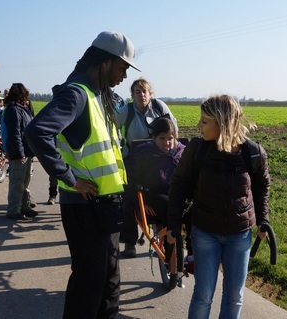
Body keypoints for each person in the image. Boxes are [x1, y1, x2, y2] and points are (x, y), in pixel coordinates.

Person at [25, 30, 140, 318]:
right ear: (104, 62)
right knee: (89, 286)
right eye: (123, 67)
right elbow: (37, 132)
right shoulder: (76, 94)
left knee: (109, 283)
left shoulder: (97, 96)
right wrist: (70, 178)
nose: (125, 76)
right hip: (87, 208)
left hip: (105, 206)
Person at [166, 95, 271, 319]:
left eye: (204, 121)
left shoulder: (252, 152)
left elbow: (262, 186)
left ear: (222, 122)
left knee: (235, 296)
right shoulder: (197, 150)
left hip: (240, 235)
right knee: (203, 295)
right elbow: (179, 185)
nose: (198, 126)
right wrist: (174, 223)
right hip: (205, 233)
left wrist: (263, 220)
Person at [121, 117, 190, 258]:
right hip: (152, 195)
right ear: (153, 138)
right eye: (162, 138)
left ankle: (192, 253)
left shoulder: (183, 153)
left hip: (177, 195)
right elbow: (129, 180)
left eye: (170, 138)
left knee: (192, 214)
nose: (167, 143)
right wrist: (139, 203)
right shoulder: (143, 153)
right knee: (168, 205)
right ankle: (170, 256)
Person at [115, 77, 178, 157]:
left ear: (150, 94)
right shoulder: (126, 111)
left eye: (144, 91)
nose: (142, 95)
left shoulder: (159, 107)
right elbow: (110, 128)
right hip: (134, 158)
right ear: (132, 95)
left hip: (159, 157)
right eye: (138, 92)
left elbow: (174, 128)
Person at [3, 83, 37, 221]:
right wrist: (20, 153)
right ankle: (13, 210)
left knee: (25, 182)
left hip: (26, 151)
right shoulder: (13, 110)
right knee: (17, 183)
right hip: (20, 153)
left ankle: (24, 206)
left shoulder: (21, 109)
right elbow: (15, 133)